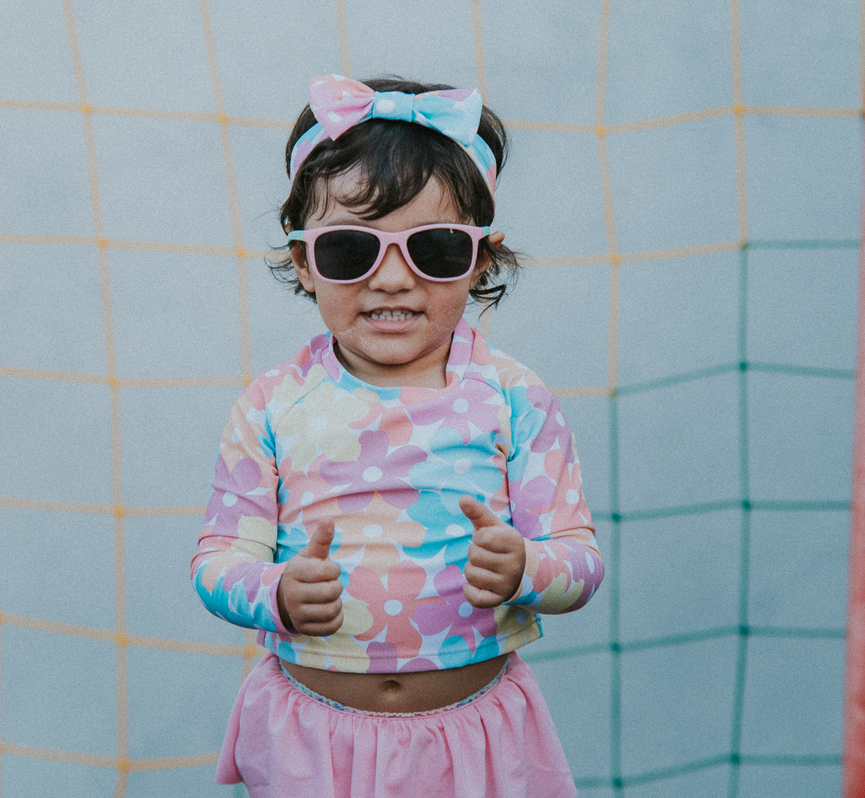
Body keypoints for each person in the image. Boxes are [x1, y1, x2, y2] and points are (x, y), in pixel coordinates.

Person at [191, 75, 603, 798]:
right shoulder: (272, 405)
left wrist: (527, 571)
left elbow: (579, 559)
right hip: (312, 744)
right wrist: (275, 593)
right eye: (351, 250)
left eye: (434, 249)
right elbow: (219, 559)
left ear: (479, 258)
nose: (390, 279)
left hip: (473, 740)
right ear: (303, 263)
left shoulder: (514, 398)